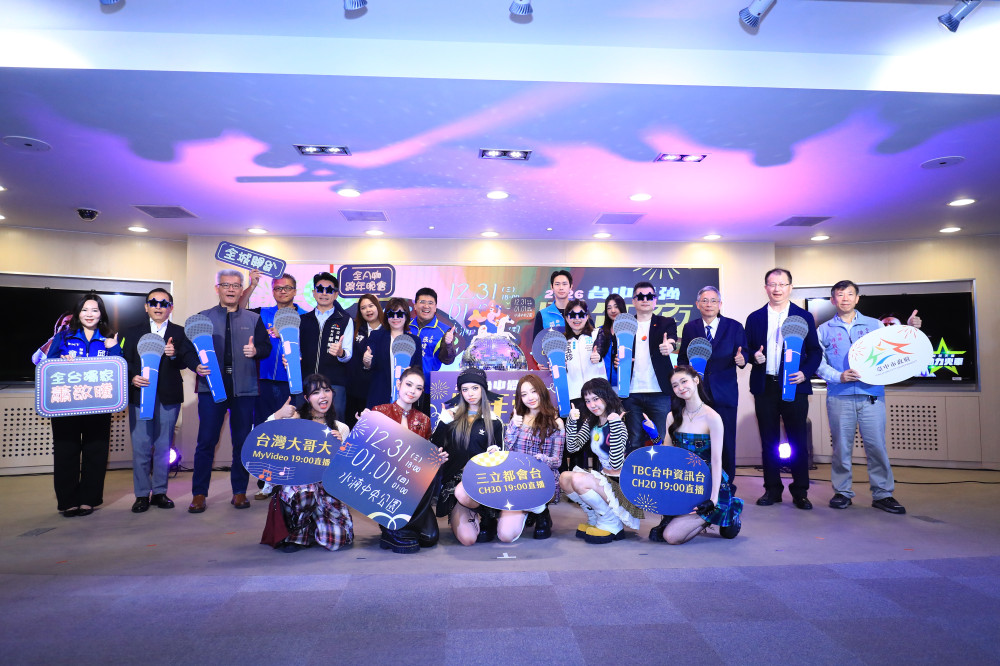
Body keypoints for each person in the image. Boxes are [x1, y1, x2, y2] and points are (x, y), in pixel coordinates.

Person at [816, 280, 920, 514]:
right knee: (841, 448)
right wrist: (839, 376)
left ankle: (883, 494)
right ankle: (842, 492)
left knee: (876, 447)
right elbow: (818, 363)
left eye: (849, 294)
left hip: (871, 396)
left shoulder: (875, 325)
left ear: (857, 298)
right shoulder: (823, 329)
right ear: (832, 300)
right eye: (840, 294)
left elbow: (896, 350)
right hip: (839, 396)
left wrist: (911, 329)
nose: (845, 298)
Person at [189, 269, 272, 514]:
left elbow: (266, 347)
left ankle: (239, 492)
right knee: (206, 441)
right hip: (211, 388)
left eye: (236, 285)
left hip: (244, 388)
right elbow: (187, 350)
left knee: (242, 442)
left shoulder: (254, 319)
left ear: (241, 289)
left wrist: (256, 351)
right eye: (226, 285)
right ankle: (199, 494)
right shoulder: (202, 318)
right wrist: (195, 365)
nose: (231, 289)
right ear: (218, 288)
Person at [744, 268, 823, 510]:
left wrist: (805, 372)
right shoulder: (755, 318)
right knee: (769, 440)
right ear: (765, 288)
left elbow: (815, 351)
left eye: (782, 284)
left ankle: (800, 492)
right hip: (765, 386)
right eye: (772, 284)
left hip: (794, 386)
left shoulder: (803, 316)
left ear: (790, 287)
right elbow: (747, 350)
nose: (777, 289)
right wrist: (753, 356)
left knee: (797, 440)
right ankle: (772, 490)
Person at [121, 288, 198, 513]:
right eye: (153, 302)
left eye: (164, 303)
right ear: (146, 306)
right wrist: (132, 377)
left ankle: (160, 492)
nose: (158, 306)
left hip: (168, 396)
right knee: (141, 447)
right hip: (140, 396)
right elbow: (123, 360)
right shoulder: (131, 332)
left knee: (164, 447)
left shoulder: (179, 332)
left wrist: (174, 354)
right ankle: (141, 495)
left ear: (170, 308)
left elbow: (186, 360)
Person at [46, 293, 122, 517]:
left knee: (96, 453)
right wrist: (60, 362)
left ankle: (89, 500)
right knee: (66, 452)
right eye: (85, 310)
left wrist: (114, 348)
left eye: (95, 310)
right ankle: (68, 502)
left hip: (99, 406)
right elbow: (47, 366)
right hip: (66, 406)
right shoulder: (63, 337)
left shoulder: (109, 338)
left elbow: (120, 369)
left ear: (101, 314)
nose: (90, 314)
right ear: (78, 313)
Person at [649, 366, 744, 544]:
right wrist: (654, 435)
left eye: (684, 381)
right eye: (675, 385)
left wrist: (713, 500)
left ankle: (723, 508)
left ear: (696, 380)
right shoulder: (672, 416)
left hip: (706, 483)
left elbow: (717, 460)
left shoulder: (712, 417)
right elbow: (667, 455)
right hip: (682, 481)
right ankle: (687, 516)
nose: (680, 388)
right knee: (661, 535)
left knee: (671, 537)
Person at [265, 374, 353, 553]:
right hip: (298, 486)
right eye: (316, 392)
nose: (323, 396)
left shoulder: (341, 428)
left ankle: (314, 525)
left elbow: (345, 472)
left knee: (338, 540)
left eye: (327, 390)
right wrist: (278, 415)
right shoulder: (295, 420)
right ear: (306, 398)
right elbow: (263, 438)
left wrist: (341, 449)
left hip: (326, 489)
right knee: (306, 492)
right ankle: (297, 532)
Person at [241, 271, 308, 500]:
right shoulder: (262, 313)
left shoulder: (305, 317)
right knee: (265, 431)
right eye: (278, 288)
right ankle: (265, 482)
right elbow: (238, 308)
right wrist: (251, 286)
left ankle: (290, 482)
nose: (282, 292)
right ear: (272, 291)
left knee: (292, 433)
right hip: (264, 381)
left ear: (295, 291)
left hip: (293, 383)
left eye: (287, 288)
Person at [368, 367, 450, 553]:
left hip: (412, 487)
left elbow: (422, 456)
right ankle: (393, 528)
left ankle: (398, 528)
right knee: (411, 536)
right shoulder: (379, 412)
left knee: (429, 537)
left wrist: (435, 459)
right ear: (399, 384)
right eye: (409, 384)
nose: (412, 391)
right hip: (385, 480)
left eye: (419, 388)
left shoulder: (424, 420)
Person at [677, 286, 749, 492]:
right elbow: (683, 358)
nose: (709, 305)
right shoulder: (690, 328)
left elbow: (744, 353)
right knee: (698, 440)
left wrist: (742, 359)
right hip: (697, 396)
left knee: (726, 441)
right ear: (697, 304)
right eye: (705, 301)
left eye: (713, 301)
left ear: (720, 304)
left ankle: (726, 486)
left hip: (725, 394)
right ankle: (700, 484)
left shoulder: (734, 327)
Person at [560, 377, 642, 544]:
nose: (592, 405)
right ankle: (595, 517)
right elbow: (573, 447)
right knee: (564, 478)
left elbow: (616, 463)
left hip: (621, 486)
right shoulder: (593, 421)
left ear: (606, 396)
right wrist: (572, 421)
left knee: (578, 479)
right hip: (605, 479)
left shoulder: (620, 420)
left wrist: (615, 426)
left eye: (596, 399)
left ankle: (611, 522)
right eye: (587, 401)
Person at [432, 368, 505, 545]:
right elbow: (435, 448)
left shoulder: (494, 421)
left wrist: (495, 454)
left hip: (483, 481)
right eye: (465, 389)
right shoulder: (451, 416)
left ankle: (488, 515)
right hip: (456, 483)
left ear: (483, 389)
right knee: (468, 539)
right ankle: (472, 511)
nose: (470, 394)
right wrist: (443, 423)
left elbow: (501, 459)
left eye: (475, 388)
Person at [502, 374, 565, 539]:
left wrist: (541, 459)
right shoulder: (517, 418)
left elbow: (557, 461)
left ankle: (542, 513)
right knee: (504, 533)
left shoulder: (556, 422)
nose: (530, 397)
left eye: (533, 391)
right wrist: (513, 427)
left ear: (541, 391)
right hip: (518, 476)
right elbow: (508, 450)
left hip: (541, 475)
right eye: (524, 394)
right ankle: (531, 510)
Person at [619, 281, 677, 456]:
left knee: (661, 439)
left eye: (649, 296)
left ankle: (661, 472)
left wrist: (669, 346)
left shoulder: (666, 322)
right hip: (631, 392)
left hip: (659, 392)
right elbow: (618, 351)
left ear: (655, 300)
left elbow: (672, 340)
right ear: (633, 301)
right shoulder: (624, 324)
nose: (645, 300)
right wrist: (617, 359)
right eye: (640, 296)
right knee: (634, 440)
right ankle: (635, 473)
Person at [299, 272, 354, 421]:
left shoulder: (345, 320)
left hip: (334, 383)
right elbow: (296, 351)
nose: (324, 293)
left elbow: (348, 354)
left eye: (329, 290)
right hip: (306, 382)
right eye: (320, 289)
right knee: (304, 424)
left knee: (335, 423)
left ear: (335, 295)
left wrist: (341, 352)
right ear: (313, 293)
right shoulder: (302, 320)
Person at [562, 299, 605, 468]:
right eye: (572, 315)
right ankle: (576, 479)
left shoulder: (598, 334)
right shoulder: (561, 340)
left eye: (581, 314)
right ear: (566, 318)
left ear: (587, 316)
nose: (577, 318)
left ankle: (603, 479)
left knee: (600, 440)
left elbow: (603, 350)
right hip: (574, 398)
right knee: (577, 444)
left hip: (597, 397)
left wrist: (599, 355)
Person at [363, 297, 423, 409]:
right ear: (387, 317)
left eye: (399, 314)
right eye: (391, 314)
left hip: (406, 398)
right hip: (379, 396)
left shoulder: (415, 341)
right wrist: (367, 360)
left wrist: (411, 371)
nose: (395, 317)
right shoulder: (376, 336)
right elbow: (370, 364)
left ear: (406, 316)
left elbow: (418, 369)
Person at [409, 287, 459, 413]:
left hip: (428, 388)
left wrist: (448, 344)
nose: (426, 306)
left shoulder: (444, 330)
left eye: (430, 303)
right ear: (415, 305)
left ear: (435, 307)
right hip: (405, 386)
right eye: (422, 302)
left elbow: (448, 360)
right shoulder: (405, 326)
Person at [346, 293, 383, 426]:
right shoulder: (355, 327)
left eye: (371, 306)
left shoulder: (388, 329)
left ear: (378, 306)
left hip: (378, 389)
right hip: (355, 389)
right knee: (354, 426)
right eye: (363, 308)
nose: (368, 310)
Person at [594, 293, 626, 387]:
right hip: (603, 385)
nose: (613, 310)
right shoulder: (600, 331)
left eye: (616, 307)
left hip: (626, 385)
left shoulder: (630, 332)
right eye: (609, 308)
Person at [532, 269, 574, 337]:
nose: (561, 288)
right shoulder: (542, 314)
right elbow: (537, 342)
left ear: (570, 286)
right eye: (557, 284)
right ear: (552, 287)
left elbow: (589, 337)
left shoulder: (581, 312)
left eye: (564, 284)